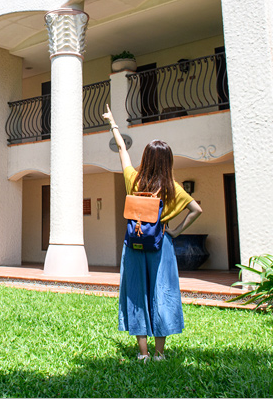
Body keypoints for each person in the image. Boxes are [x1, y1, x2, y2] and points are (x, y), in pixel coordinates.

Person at [102, 104, 202, 363]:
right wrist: (176, 231)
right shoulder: (173, 188)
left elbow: (122, 150)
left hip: (133, 245)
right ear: (168, 162)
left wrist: (112, 122)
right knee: (162, 292)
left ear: (146, 159)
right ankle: (159, 354)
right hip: (162, 244)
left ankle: (142, 354)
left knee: (136, 293)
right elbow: (196, 210)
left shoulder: (133, 180)